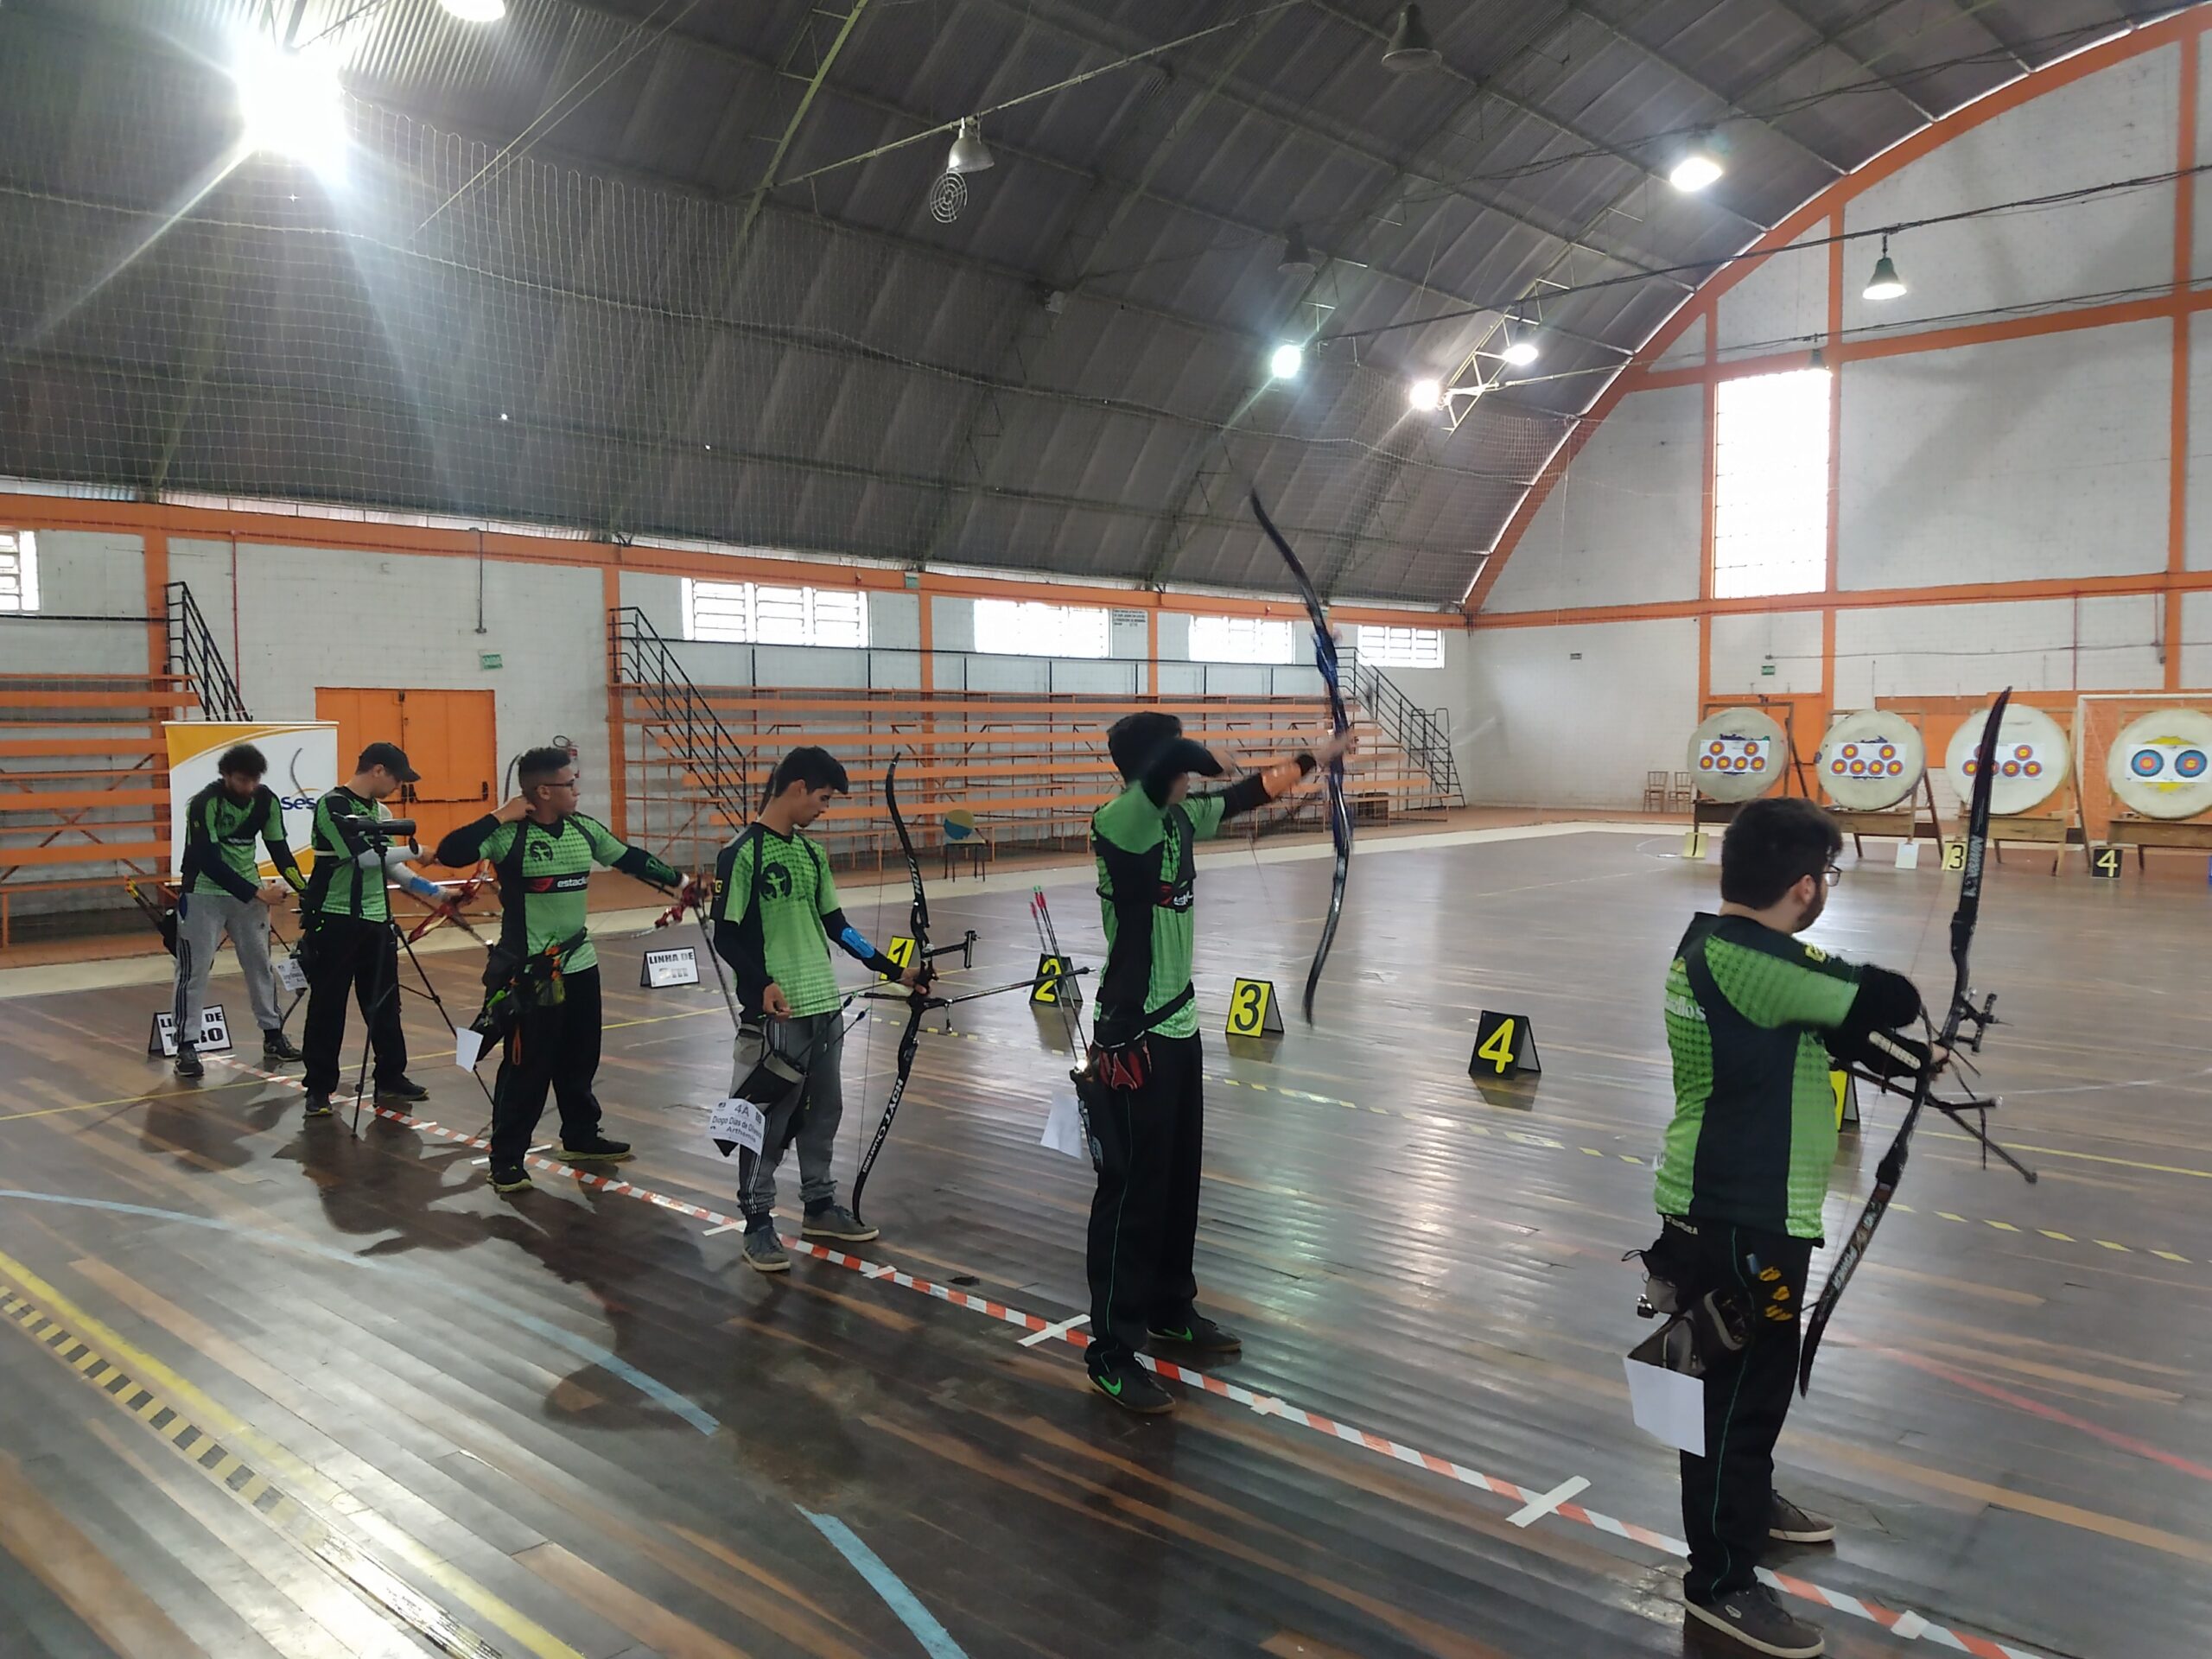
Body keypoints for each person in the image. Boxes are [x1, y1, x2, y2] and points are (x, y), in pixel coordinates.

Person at [1642, 797, 1938, 1659]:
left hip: (1745, 1211)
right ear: (1804, 887)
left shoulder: (1724, 944)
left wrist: (1910, 1063)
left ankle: (1748, 1501)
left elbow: (1828, 1030)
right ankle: (1720, 1583)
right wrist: (1902, 1031)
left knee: (1751, 1386)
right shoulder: (1753, 959)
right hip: (1738, 1214)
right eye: (1826, 880)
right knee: (1730, 1400)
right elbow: (1890, 997)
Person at [1084, 710, 1356, 1414]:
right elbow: (1160, 781)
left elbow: (1245, 795)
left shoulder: (1177, 820)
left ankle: (1172, 1308)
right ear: (1157, 767)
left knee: (1176, 1183)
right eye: (1174, 765)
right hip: (1132, 1034)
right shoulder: (1122, 820)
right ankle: (1112, 1352)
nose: (1185, 777)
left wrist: (1316, 757)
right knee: (1132, 1197)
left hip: (1176, 1022)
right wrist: (1193, 755)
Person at [435, 746, 683, 1194]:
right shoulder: (509, 835)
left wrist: (682, 883)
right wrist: (499, 814)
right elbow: (451, 852)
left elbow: (629, 858)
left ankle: (581, 1136)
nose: (577, 790)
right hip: (531, 973)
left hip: (580, 964)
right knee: (527, 1066)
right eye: (570, 784)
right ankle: (507, 1158)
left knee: (580, 1056)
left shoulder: (583, 830)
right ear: (544, 790)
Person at [710, 746, 919, 1273]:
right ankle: (758, 1222)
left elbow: (838, 925)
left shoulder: (810, 854)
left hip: (823, 1004)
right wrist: (761, 985)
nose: (825, 808)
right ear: (798, 787)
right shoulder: (742, 854)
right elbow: (727, 936)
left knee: (823, 1111)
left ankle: (819, 1205)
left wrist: (895, 971)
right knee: (768, 1117)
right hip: (777, 1014)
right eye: (824, 798)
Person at [299, 742, 443, 1119]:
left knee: (384, 1005)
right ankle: (318, 1088)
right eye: (397, 778)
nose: (398, 786)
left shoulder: (380, 811)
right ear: (377, 770)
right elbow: (362, 858)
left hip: (377, 922)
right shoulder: (332, 805)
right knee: (328, 1005)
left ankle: (391, 1076)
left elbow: (390, 868)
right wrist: (416, 849)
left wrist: (438, 893)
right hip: (334, 920)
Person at [170, 742, 309, 1080]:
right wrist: (257, 892)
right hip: (204, 893)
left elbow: (280, 850)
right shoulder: (204, 804)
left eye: (254, 781)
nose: (249, 788)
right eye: (242, 781)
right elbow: (208, 860)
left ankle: (273, 1035)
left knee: (259, 964)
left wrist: (308, 890)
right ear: (226, 776)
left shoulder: (266, 800)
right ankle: (187, 1046)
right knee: (194, 970)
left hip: (249, 897)